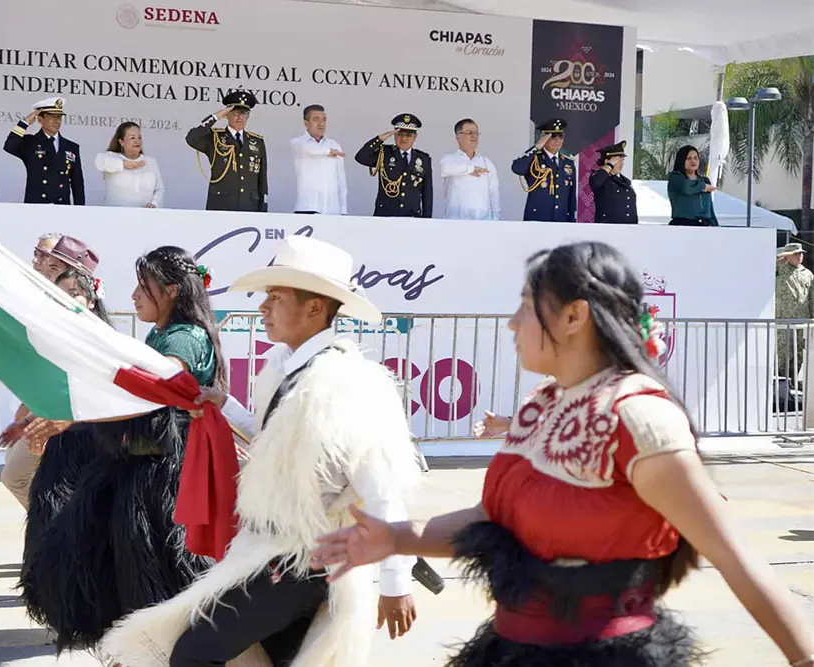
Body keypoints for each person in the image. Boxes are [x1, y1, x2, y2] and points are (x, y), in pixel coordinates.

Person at [310, 241, 814, 667]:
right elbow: (493, 518)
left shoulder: (640, 419)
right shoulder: (540, 407)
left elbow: (735, 557)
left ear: (574, 316)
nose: (511, 324)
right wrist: (397, 538)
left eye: (526, 305)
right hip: (512, 648)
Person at [103, 235, 424, 667]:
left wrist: (395, 582)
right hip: (268, 548)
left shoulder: (351, 382)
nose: (263, 308)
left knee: (194, 653)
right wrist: (227, 405)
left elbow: (382, 488)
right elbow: (277, 437)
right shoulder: (282, 368)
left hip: (305, 558)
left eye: (276, 297)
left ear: (315, 308)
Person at [9, 246, 228, 658]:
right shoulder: (162, 333)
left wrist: (71, 419)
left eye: (143, 287)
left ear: (171, 291)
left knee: (160, 567)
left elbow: (152, 393)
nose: (133, 296)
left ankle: (167, 649)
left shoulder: (185, 338)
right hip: (144, 460)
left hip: (167, 470)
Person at [0, 236, 101, 509]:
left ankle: (58, 531)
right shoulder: (51, 312)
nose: (42, 264)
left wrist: (37, 416)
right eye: (41, 257)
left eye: (54, 264)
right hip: (46, 411)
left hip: (70, 423)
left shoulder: (90, 331)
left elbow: (78, 385)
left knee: (17, 477)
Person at [185, 90, 268, 212]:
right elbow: (192, 138)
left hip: (250, 205)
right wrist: (216, 116)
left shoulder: (257, 141)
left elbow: (262, 178)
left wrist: (262, 207)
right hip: (221, 204)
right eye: (235, 113)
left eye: (244, 113)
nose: (240, 117)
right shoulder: (215, 137)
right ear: (226, 114)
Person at [4, 97, 85, 205]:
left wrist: (79, 209)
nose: (57, 121)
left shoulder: (71, 147)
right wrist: (25, 122)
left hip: (62, 207)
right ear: (40, 119)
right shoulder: (30, 142)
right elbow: (9, 146)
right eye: (52, 117)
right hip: (37, 206)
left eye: (59, 117)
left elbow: (77, 182)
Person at [355, 114, 433, 218]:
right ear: (395, 135)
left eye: (408, 135)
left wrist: (427, 220)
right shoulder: (385, 153)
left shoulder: (424, 160)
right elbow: (361, 157)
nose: (404, 138)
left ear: (415, 137)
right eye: (400, 134)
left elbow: (427, 193)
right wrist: (379, 139)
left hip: (412, 217)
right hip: (385, 216)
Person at [512, 118, 577, 222]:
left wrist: (571, 219)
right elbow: (517, 168)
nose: (557, 140)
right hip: (537, 219)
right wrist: (536, 147)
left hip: (561, 219)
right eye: (553, 136)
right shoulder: (534, 158)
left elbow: (571, 196)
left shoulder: (568, 163)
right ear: (544, 138)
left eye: (560, 136)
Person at [290, 104, 348, 215]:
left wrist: (343, 208)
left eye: (324, 120)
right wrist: (328, 152)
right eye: (316, 119)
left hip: (332, 210)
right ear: (306, 123)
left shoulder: (334, 144)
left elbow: (341, 180)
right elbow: (311, 150)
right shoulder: (297, 143)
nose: (321, 124)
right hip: (307, 207)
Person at [438, 118, 500, 220]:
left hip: (483, 222)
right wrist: (470, 169)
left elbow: (494, 193)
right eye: (469, 133)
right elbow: (445, 169)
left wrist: (496, 218)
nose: (474, 136)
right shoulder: (449, 159)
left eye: (476, 133)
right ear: (458, 137)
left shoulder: (487, 163)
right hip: (455, 221)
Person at [95, 121, 165, 208]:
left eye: (139, 138)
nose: (137, 141)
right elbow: (100, 162)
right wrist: (124, 164)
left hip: (145, 216)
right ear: (121, 142)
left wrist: (154, 204)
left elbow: (159, 189)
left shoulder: (150, 162)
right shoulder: (112, 157)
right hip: (116, 216)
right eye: (132, 138)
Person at [775, 242, 814, 385]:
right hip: (783, 319)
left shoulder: (808, 274)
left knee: (799, 353)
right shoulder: (779, 269)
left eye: (801, 253)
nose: (800, 256)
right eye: (796, 253)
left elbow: (811, 297)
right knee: (783, 352)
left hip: (802, 321)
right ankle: (782, 382)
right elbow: (764, 259)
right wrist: (785, 255)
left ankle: (794, 381)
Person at [667, 145, 718, 226]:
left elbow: (709, 208)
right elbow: (686, 188)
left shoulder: (704, 180)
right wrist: (703, 187)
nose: (693, 161)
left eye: (695, 158)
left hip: (703, 225)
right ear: (682, 160)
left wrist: (716, 226)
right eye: (689, 158)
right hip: (682, 224)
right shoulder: (675, 177)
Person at [589, 140, 637, 224]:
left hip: (628, 229)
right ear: (607, 162)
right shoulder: (600, 178)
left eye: (622, 160)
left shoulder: (625, 181)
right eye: (617, 161)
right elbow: (596, 182)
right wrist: (609, 165)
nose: (621, 164)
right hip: (608, 228)